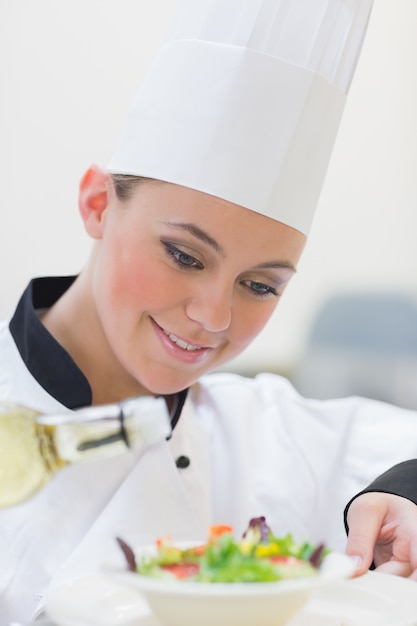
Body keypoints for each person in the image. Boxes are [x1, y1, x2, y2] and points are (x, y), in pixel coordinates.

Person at [1, 0, 417, 622]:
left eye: (260, 285)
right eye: (184, 256)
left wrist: (403, 493)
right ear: (96, 203)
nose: (214, 316)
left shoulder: (266, 431)